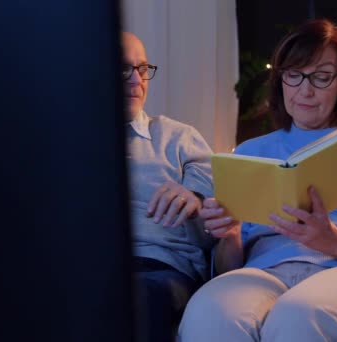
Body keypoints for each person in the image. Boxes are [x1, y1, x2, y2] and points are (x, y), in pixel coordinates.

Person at [177, 19, 337, 342]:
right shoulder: (250, 152)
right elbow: (228, 268)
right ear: (281, 81)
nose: (305, 90)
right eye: (294, 75)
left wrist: (332, 240)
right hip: (265, 272)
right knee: (207, 312)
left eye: (321, 77)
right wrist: (231, 235)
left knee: (298, 315)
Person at [121, 32, 216, 342]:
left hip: (160, 266)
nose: (137, 80)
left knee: (139, 296)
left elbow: (216, 218)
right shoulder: (67, 140)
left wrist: (196, 199)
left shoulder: (179, 139)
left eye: (143, 69)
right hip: (85, 263)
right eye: (125, 69)